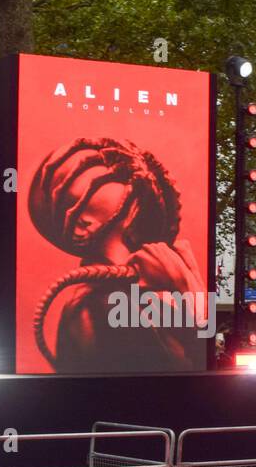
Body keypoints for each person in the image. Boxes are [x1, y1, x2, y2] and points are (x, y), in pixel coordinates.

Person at [27, 137, 205, 372]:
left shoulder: (148, 289)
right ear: (82, 224)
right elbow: (181, 374)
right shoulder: (96, 306)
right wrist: (186, 288)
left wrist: (189, 286)